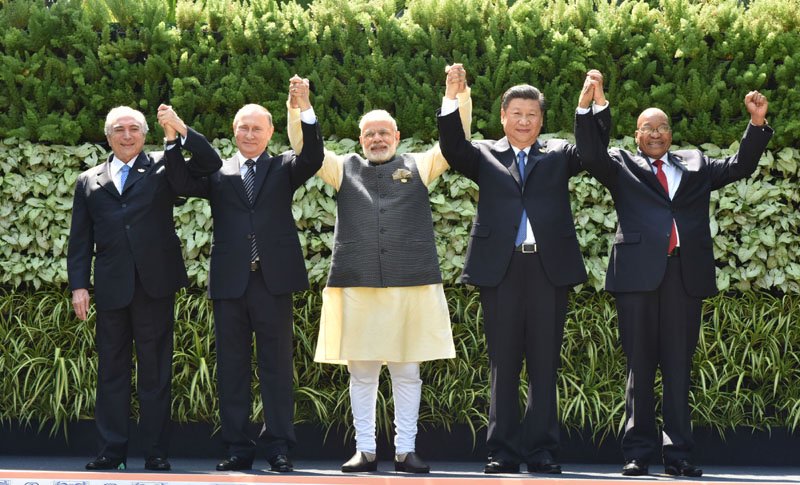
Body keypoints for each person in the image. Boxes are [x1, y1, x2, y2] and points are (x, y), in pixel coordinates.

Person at [575, 73, 772, 477]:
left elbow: (740, 166)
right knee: (640, 365)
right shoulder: (621, 164)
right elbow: (591, 154)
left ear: (671, 133)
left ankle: (678, 453)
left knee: (679, 365)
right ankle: (638, 452)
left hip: (684, 274)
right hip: (637, 278)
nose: (657, 133)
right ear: (636, 135)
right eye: (648, 128)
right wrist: (592, 105)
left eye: (663, 127)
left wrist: (755, 124)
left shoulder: (696, 163)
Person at [285, 78, 471, 473]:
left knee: (407, 372)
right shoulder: (342, 168)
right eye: (369, 134)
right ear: (360, 139)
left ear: (397, 136)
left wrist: (456, 98)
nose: (377, 139)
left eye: (384, 132)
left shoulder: (419, 165)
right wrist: (300, 108)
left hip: (411, 285)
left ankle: (406, 451)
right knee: (363, 373)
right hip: (357, 285)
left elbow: (455, 144)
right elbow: (305, 149)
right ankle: (365, 450)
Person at [437, 65, 610, 474]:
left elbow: (595, 152)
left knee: (545, 362)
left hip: (548, 270)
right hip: (502, 270)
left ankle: (542, 450)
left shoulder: (560, 155)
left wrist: (590, 107)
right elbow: (452, 145)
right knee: (504, 363)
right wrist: (450, 97)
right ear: (502, 116)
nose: (524, 121)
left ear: (542, 119)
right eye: (516, 113)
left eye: (532, 114)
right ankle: (502, 451)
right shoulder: (483, 154)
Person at [158, 77, 324, 472]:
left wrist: (304, 108)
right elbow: (179, 181)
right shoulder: (217, 169)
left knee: (277, 367)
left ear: (270, 132)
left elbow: (314, 155)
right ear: (234, 132)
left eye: (257, 127)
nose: (250, 134)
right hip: (231, 281)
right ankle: (237, 446)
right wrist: (173, 137)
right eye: (243, 127)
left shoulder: (284, 166)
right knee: (231, 368)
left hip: (272, 280)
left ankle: (279, 445)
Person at [68, 106, 210, 471]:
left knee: (155, 372)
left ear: (145, 135)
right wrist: (79, 286)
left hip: (155, 285)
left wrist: (179, 130)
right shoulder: (89, 180)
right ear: (108, 135)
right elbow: (80, 239)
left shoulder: (165, 166)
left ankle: (156, 452)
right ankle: (110, 451)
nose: (127, 135)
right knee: (111, 372)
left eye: (134, 129)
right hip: (112, 288)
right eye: (119, 129)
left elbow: (208, 165)